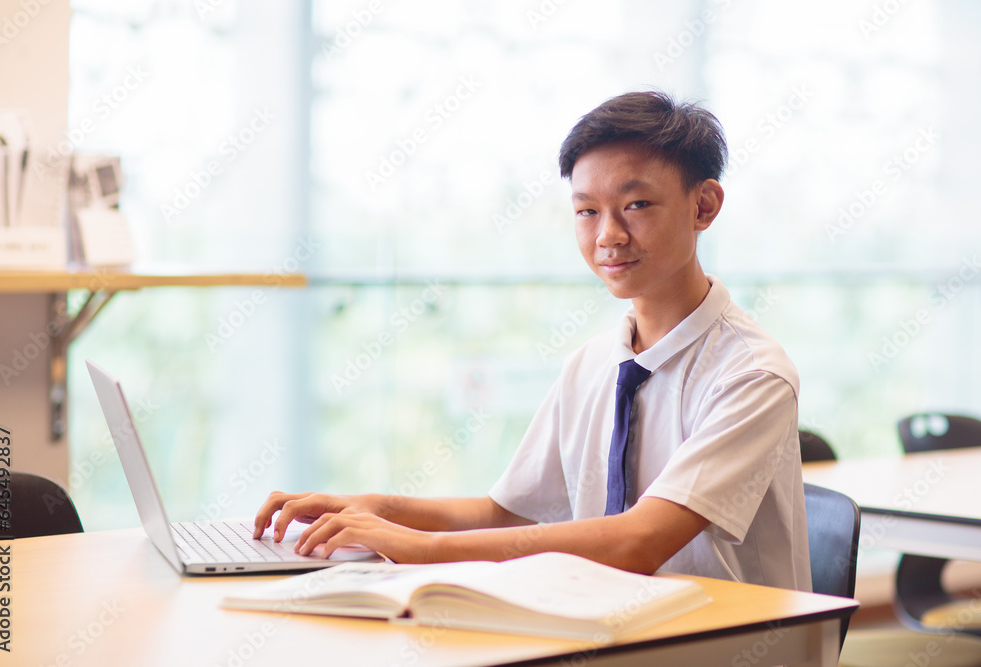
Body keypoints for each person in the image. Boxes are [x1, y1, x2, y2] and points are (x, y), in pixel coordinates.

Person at [253, 91, 812, 591]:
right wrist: (379, 509)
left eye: (636, 205)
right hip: (610, 630)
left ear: (704, 206)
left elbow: (637, 542)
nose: (607, 235)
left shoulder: (751, 374)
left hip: (729, 647)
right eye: (587, 211)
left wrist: (423, 551)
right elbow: (508, 515)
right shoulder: (594, 363)